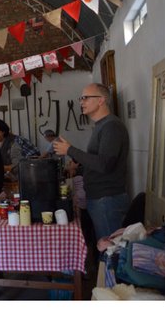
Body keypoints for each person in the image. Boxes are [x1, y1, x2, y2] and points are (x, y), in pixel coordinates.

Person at [53, 83, 130, 240]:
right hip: (100, 198)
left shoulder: (111, 126)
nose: (81, 102)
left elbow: (104, 164)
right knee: (103, 245)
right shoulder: (101, 125)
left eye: (86, 98)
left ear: (101, 100)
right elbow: (98, 160)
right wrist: (79, 165)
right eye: (81, 98)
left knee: (110, 247)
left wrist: (70, 150)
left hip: (107, 199)